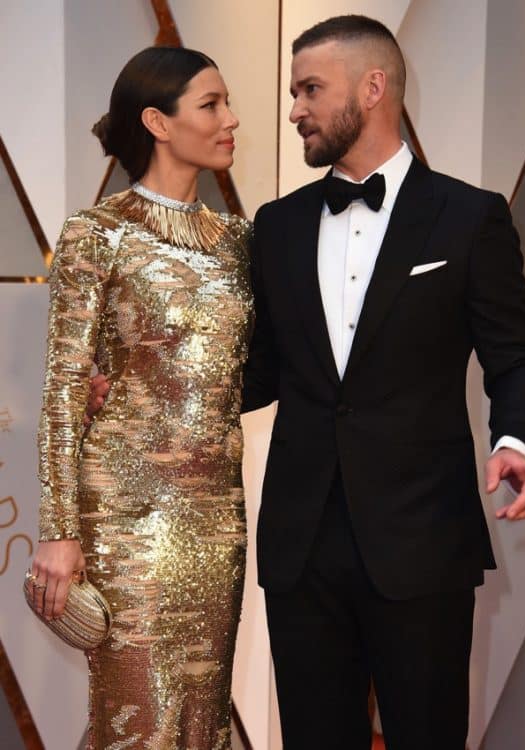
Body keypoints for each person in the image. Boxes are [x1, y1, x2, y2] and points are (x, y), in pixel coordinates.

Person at [241, 15, 525, 750]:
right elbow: (257, 372)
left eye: (309, 89)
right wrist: (147, 393)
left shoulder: (470, 217)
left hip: (422, 536)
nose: (294, 110)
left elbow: (514, 355)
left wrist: (512, 437)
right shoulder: (277, 225)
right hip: (301, 543)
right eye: (294, 92)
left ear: (372, 87)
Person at [30, 46, 252, 750]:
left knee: (202, 714)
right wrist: (60, 532)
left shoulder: (240, 242)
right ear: (158, 120)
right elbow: (65, 387)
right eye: (211, 105)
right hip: (125, 509)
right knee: (137, 718)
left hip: (217, 514)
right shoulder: (98, 234)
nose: (231, 119)